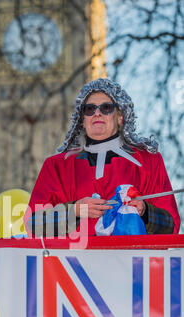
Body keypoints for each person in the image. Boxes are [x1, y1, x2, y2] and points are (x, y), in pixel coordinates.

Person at [25, 78, 180, 237]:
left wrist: (145, 211)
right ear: (83, 120)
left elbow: (172, 225)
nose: (97, 113)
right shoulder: (56, 166)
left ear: (120, 117)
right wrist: (74, 211)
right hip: (72, 260)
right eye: (89, 109)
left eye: (106, 108)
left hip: (131, 259)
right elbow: (33, 224)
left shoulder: (149, 161)